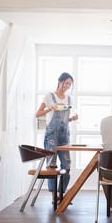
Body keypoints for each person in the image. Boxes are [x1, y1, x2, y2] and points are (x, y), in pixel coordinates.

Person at [35, 72, 78, 203]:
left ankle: (61, 194)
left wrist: (72, 118)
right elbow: (38, 114)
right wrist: (50, 108)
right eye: (66, 83)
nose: (67, 86)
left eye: (69, 84)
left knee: (66, 165)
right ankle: (54, 196)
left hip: (64, 134)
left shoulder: (69, 99)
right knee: (52, 166)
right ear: (60, 81)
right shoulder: (50, 96)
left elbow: (65, 120)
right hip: (52, 134)